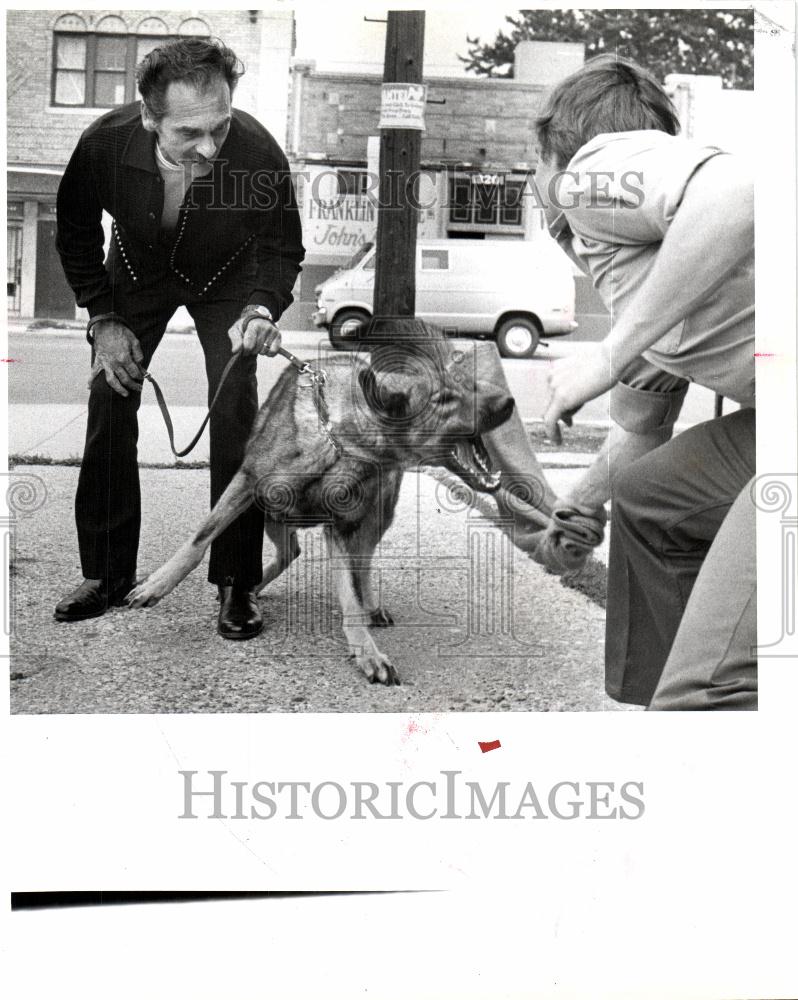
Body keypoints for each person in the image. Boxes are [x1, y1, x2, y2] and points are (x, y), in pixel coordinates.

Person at [54, 38, 305, 640]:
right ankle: (108, 573)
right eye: (189, 132)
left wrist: (262, 308)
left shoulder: (259, 152)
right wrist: (102, 317)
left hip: (228, 280)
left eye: (219, 126)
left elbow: (281, 247)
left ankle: (237, 580)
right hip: (137, 273)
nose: (210, 146)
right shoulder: (103, 144)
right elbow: (76, 230)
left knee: (237, 408)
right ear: (148, 117)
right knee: (108, 396)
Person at [531, 55, 756, 709]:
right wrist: (577, 512)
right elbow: (640, 428)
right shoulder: (660, 268)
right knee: (650, 496)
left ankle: (695, 709)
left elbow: (739, 194)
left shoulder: (585, 177)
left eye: (534, 163)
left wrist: (606, 357)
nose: (535, 180)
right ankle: (658, 713)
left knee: (706, 688)